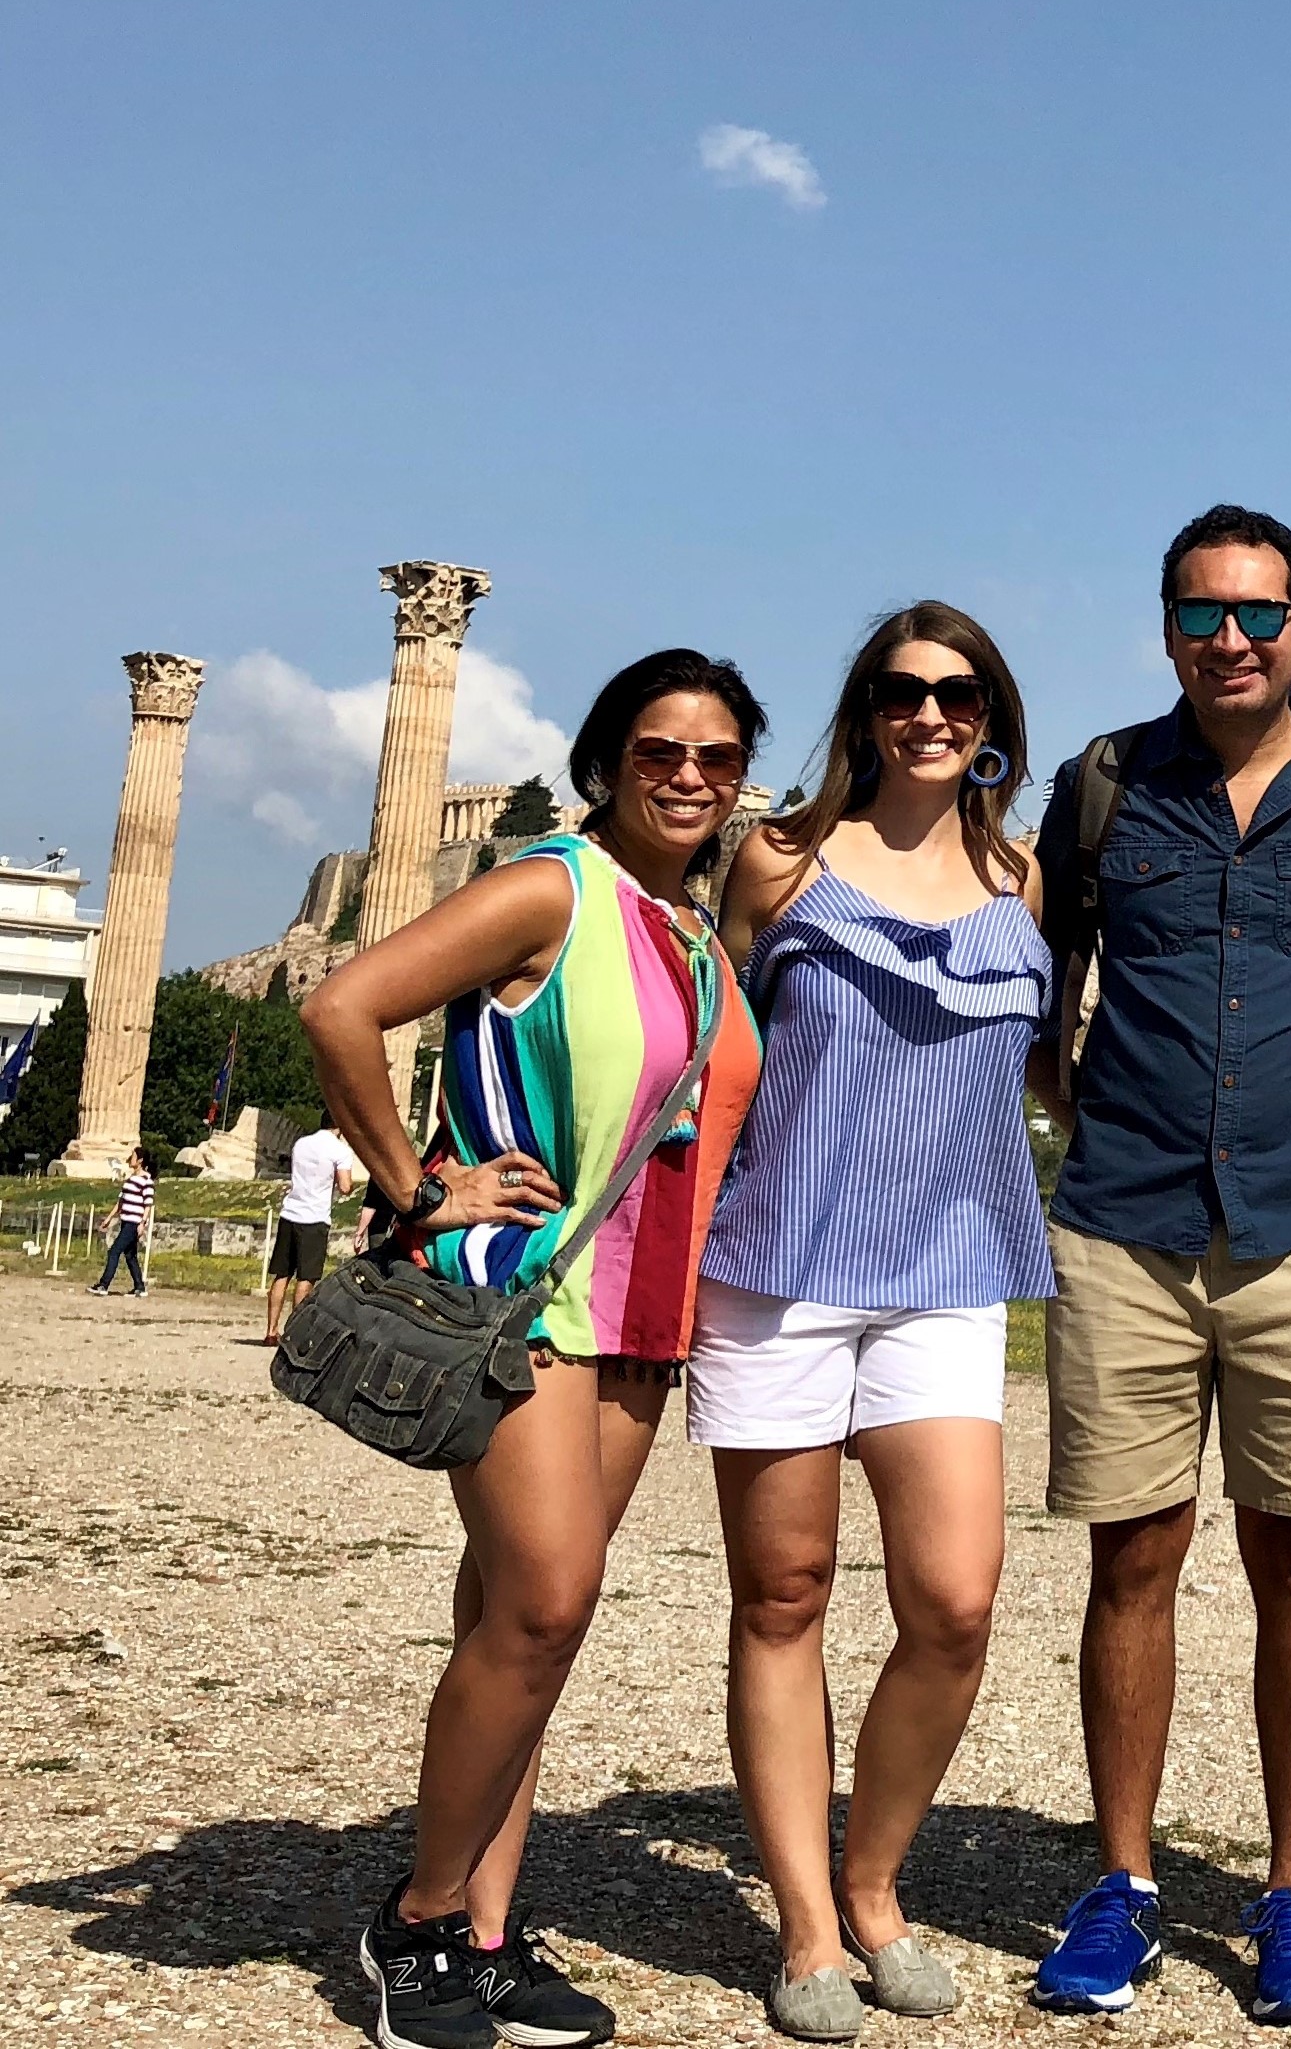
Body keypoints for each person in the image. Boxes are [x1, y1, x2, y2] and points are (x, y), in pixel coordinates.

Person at [302, 650, 767, 2049]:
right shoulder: (550, 887)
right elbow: (341, 1005)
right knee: (547, 1603)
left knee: (521, 1624)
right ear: (606, 762)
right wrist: (414, 1181)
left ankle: (486, 1938)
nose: (689, 774)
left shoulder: (690, 930)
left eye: (718, 757)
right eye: (659, 751)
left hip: (638, 1315)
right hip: (523, 1305)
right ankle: (418, 1919)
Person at [1028, 504, 1291, 2026]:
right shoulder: (1105, 788)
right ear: (1168, 630)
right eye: (1202, 615)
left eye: (1259, 613)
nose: (1233, 640)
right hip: (1128, 1217)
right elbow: (1044, 968)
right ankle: (1126, 1883)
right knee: (1131, 1558)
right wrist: (1063, 1091)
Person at [696, 604, 1054, 2043]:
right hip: (778, 1266)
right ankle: (802, 1925)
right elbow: (709, 1052)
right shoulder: (776, 861)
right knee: (785, 1597)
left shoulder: (1022, 880)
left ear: (992, 718)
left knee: (955, 1602)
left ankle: (876, 1877)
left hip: (949, 1268)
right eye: (903, 692)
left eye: (958, 693)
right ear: (863, 710)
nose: (930, 714)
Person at [266, 1120, 360, 1345]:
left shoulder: (301, 1143)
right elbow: (345, 1186)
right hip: (314, 1217)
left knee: (282, 1275)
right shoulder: (340, 1151)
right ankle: (294, 1333)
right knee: (306, 1278)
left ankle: (271, 1330)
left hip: (291, 1211)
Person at [89, 1140, 154, 1296]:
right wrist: (109, 1218)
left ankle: (103, 1285)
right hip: (126, 1220)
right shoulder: (130, 1179)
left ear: (140, 1160)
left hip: (134, 1222)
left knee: (114, 1251)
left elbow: (148, 1204)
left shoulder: (146, 1180)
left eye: (133, 1156)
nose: (130, 1159)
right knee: (130, 1255)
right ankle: (139, 1286)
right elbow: (121, 1201)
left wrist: (142, 1223)